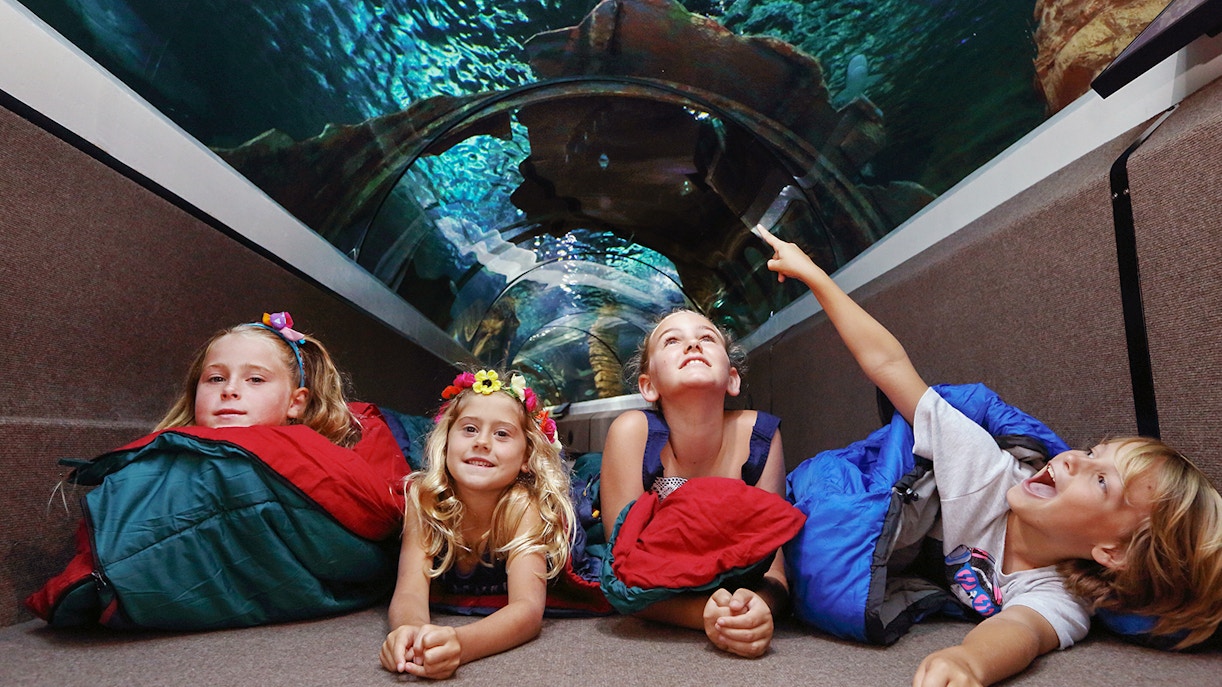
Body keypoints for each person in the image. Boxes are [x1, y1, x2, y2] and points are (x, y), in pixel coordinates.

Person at [756, 228, 1222, 686]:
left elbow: (1019, 631)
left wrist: (972, 662)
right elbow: (890, 367)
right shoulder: (986, 472)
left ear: (1112, 553)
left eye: (1102, 481)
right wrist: (815, 276)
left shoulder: (1058, 594)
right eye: (1092, 451)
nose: (1074, 460)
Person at [599, 309, 790, 658]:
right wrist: (705, 615)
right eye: (672, 340)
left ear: (733, 379)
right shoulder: (632, 432)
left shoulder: (758, 436)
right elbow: (621, 577)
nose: (692, 344)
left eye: (706, 338)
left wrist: (759, 607)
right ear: (648, 385)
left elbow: (775, 565)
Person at [380, 369, 573, 679]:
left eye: (502, 434)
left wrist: (461, 643)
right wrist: (410, 632)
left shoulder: (525, 506)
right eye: (469, 429)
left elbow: (527, 610)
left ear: (527, 456)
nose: (482, 442)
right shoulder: (424, 498)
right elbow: (409, 591)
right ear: (446, 443)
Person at [155, 311, 361, 447]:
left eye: (255, 379)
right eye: (216, 378)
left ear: (296, 402)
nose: (229, 389)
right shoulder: (157, 456)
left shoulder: (315, 474)